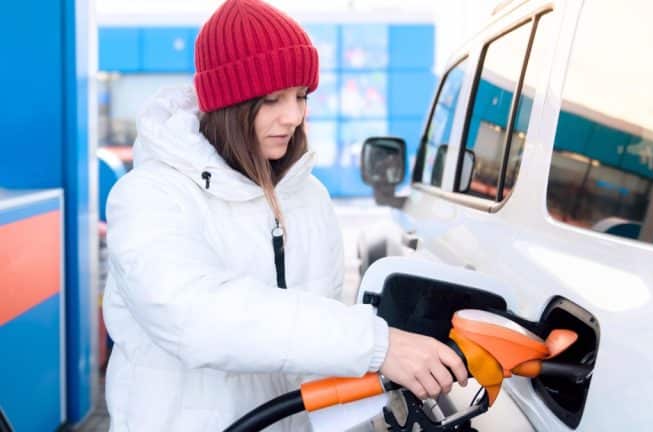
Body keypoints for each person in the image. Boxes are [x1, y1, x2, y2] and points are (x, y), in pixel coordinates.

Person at [102, 0, 468, 431]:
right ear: (226, 105)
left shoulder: (307, 197)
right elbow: (196, 316)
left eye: (301, 96)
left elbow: (319, 353)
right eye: (272, 99)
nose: (293, 116)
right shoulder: (149, 196)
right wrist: (375, 344)